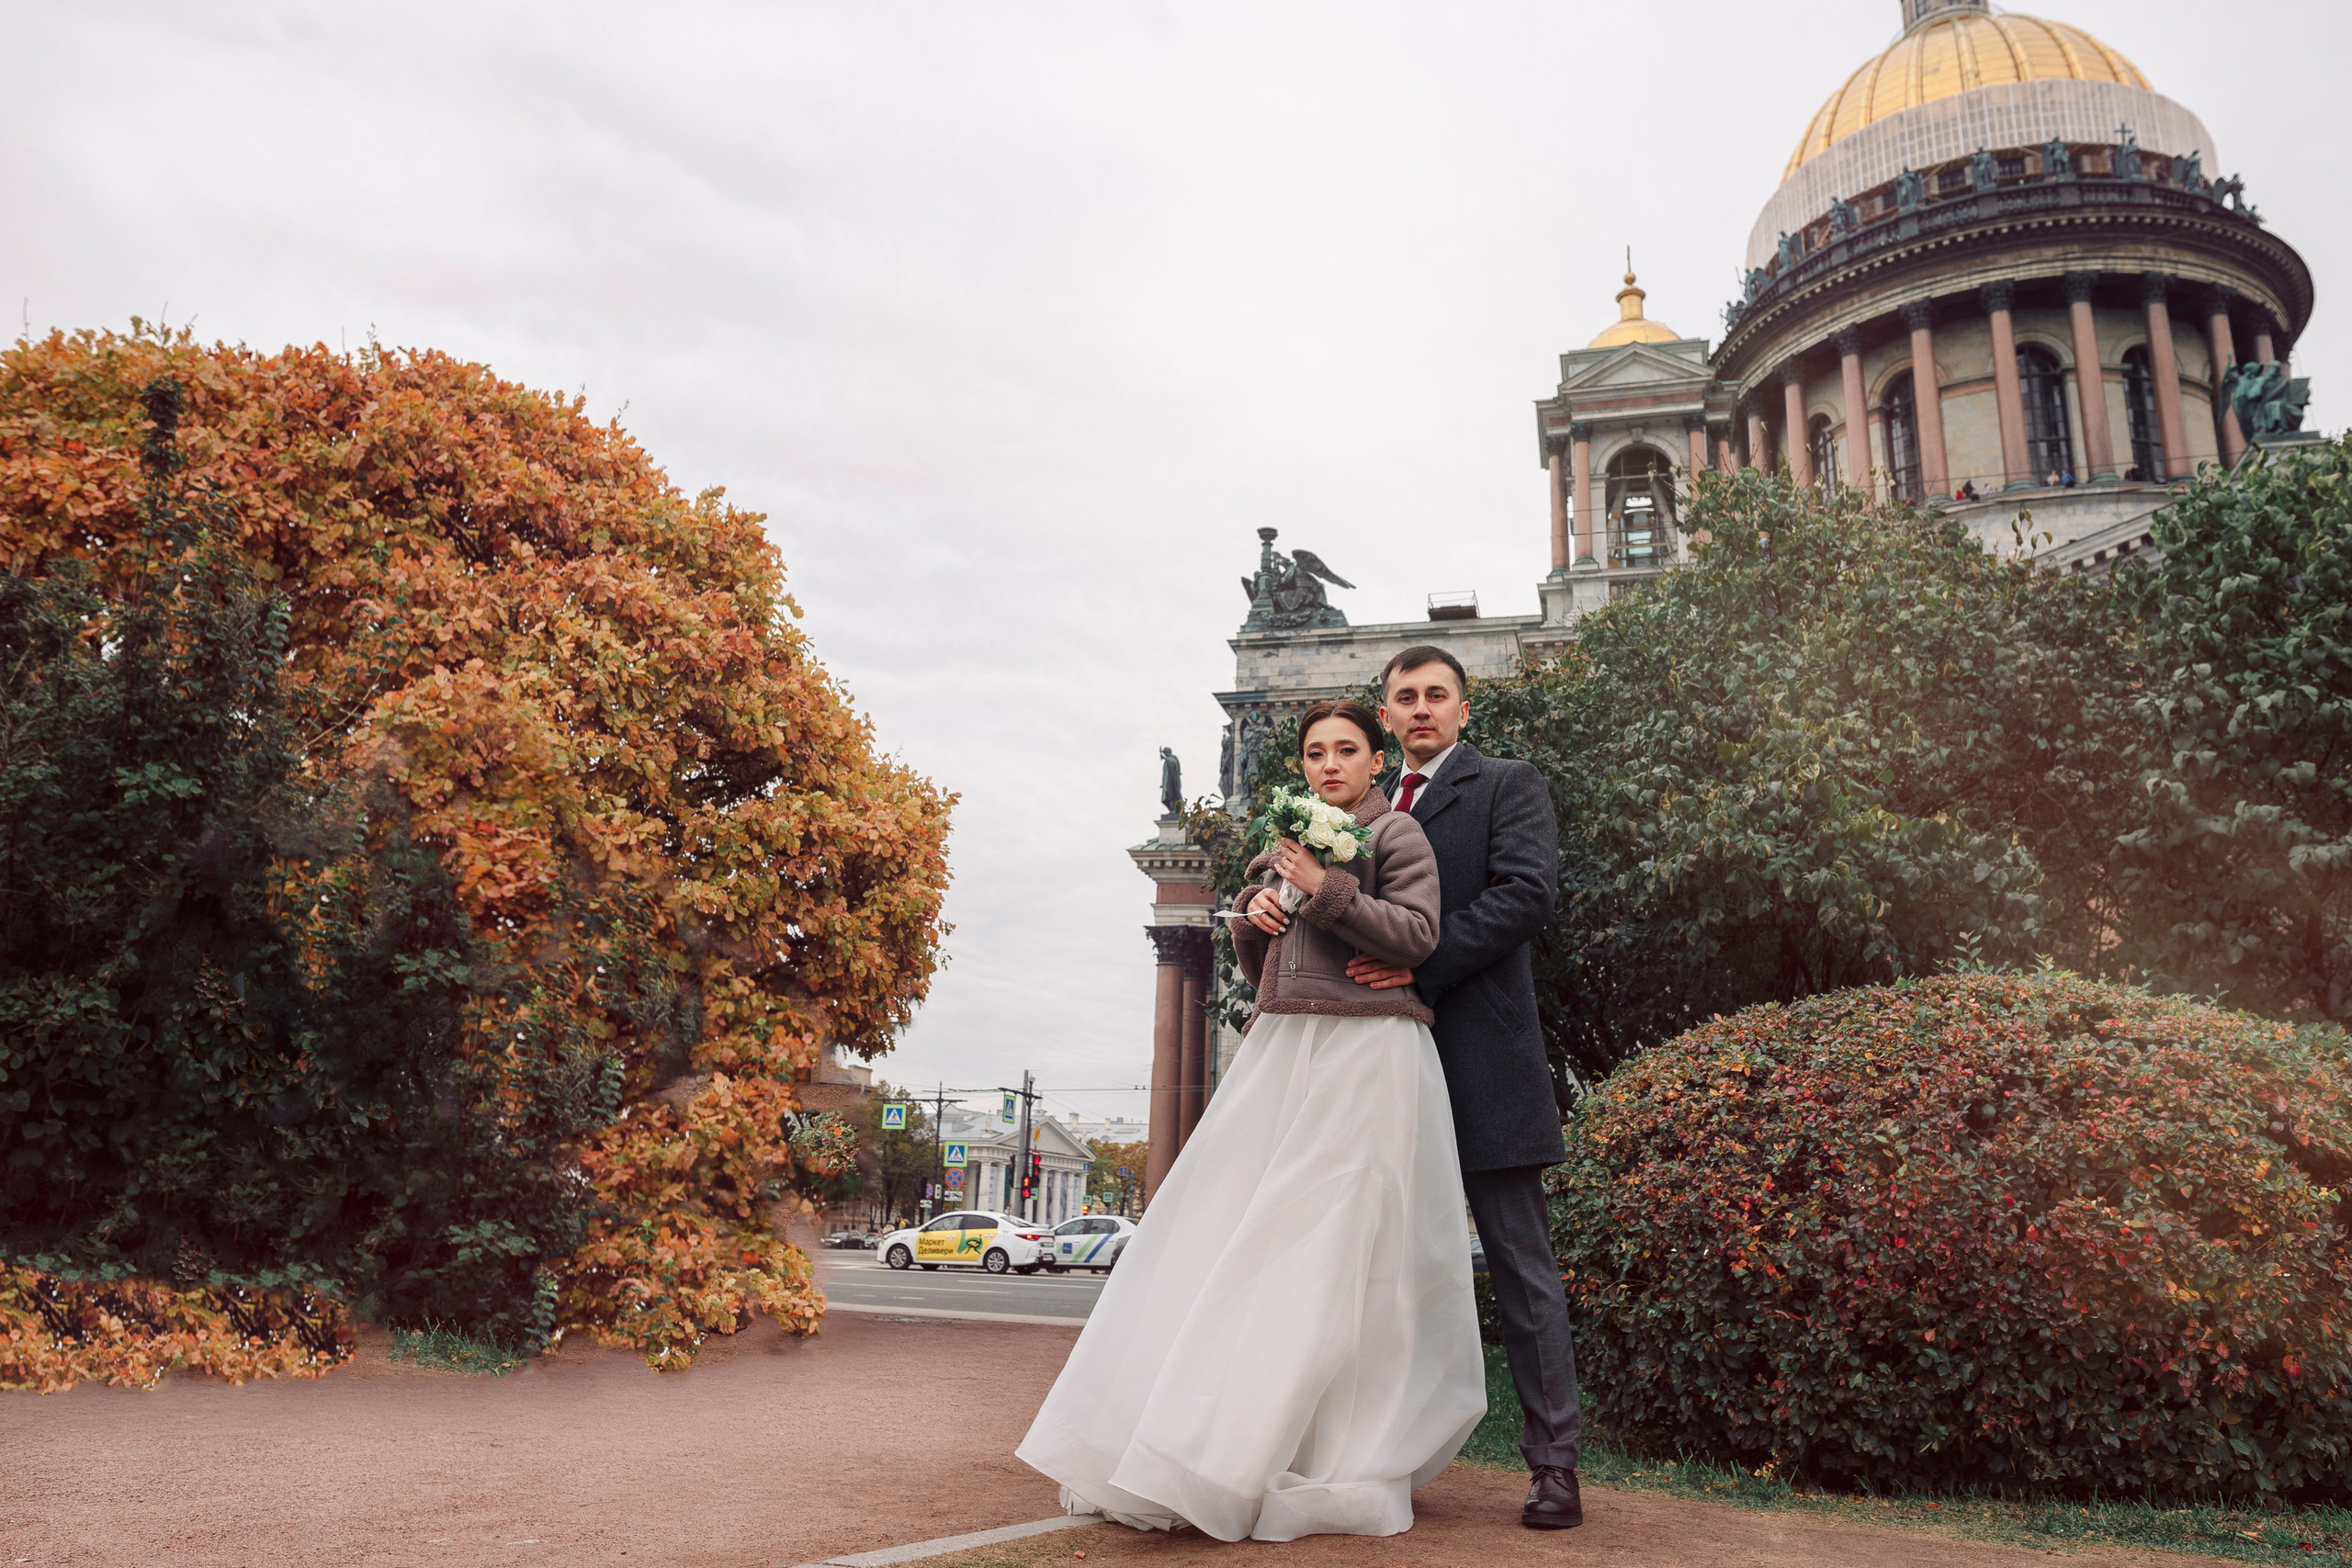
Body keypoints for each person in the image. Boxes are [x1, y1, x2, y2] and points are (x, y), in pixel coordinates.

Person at [1017, 700, 1480, 1541]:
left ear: (1376, 760)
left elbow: (1416, 935)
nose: (1330, 764)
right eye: (1315, 752)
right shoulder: (1282, 844)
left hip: (1368, 1051)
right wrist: (1255, 915)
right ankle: (1211, 1438)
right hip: (1285, 1047)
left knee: (1335, 1244)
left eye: (1346, 749)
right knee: (1238, 1227)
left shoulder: (1398, 834)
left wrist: (1323, 888)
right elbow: (1276, 964)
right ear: (1301, 765)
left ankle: (1320, 1447)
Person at [1346, 647, 1585, 1530]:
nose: (1421, 708)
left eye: (1436, 695)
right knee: (1376, 1273)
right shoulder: (1364, 806)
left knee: (1523, 1271)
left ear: (1463, 709)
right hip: (1379, 1070)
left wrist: (1420, 964)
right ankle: (1375, 1456)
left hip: (1485, 1063)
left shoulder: (1507, 784)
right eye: (1405, 697)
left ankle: (1554, 1465)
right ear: (1385, 714)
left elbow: (1526, 895)